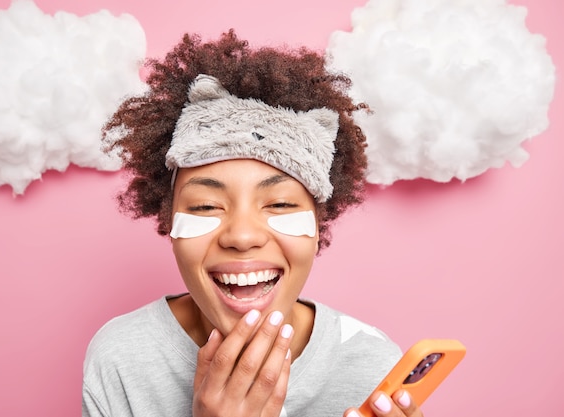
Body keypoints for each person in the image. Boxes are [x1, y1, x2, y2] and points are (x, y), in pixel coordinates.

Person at [82, 30, 425, 417]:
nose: (242, 236)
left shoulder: (371, 365)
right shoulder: (123, 359)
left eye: (279, 203)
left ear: (318, 225)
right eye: (206, 206)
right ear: (169, 221)